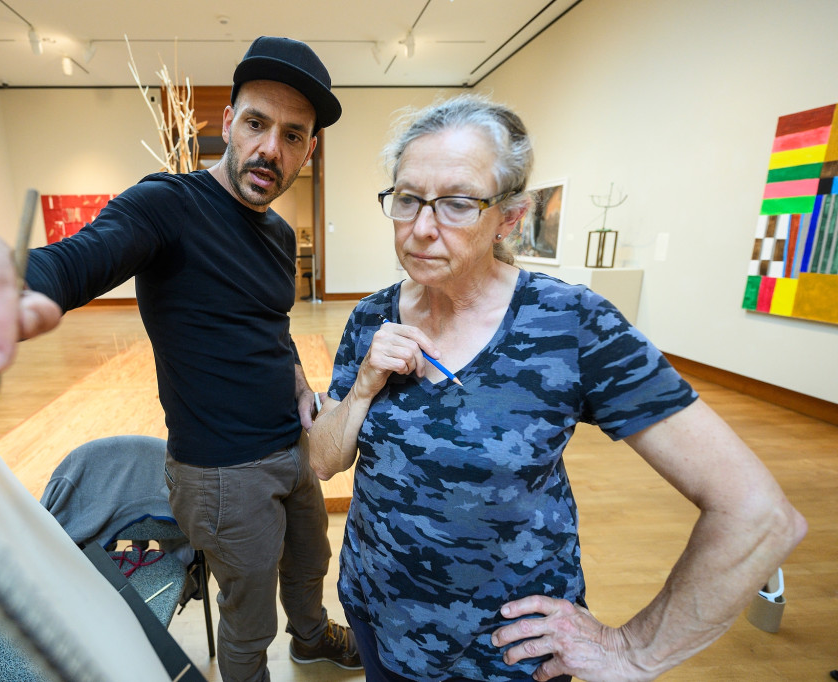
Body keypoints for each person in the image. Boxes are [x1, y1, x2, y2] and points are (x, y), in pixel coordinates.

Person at [0, 36, 360, 682]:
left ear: (308, 150)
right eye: (257, 123)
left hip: (291, 443)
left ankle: (311, 639)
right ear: (228, 123)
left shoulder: (280, 235)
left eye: (293, 136)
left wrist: (299, 381)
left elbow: (271, 325)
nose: (271, 150)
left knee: (312, 559)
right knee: (249, 616)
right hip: (224, 473)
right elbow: (77, 258)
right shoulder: (169, 206)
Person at [308, 94, 806, 682]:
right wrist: (364, 385)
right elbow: (323, 459)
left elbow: (758, 514)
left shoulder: (571, 323)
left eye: (457, 204)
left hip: (505, 655)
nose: (421, 228)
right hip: (378, 615)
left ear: (510, 217)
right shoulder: (371, 316)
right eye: (409, 199)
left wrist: (634, 651)